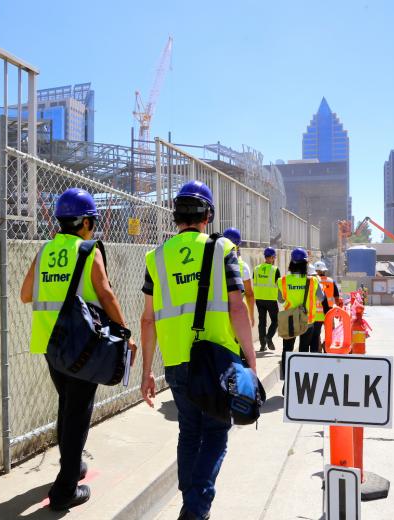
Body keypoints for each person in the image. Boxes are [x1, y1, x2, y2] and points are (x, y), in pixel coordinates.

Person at [140, 181, 256, 520]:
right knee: (216, 431)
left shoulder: (156, 257)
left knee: (189, 430)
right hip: (218, 359)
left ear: (176, 216)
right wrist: (249, 357)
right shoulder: (222, 250)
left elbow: (148, 320)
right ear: (208, 215)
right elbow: (237, 307)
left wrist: (147, 370)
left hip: (176, 361)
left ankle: (191, 499)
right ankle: (196, 507)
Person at [20, 187, 137, 511]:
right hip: (81, 345)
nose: (94, 228)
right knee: (78, 412)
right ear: (85, 222)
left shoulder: (46, 250)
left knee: (67, 406)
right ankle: (65, 490)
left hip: (49, 344)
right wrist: (125, 333)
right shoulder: (88, 250)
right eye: (93, 222)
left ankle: (72, 466)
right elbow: (107, 294)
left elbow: (25, 294)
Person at [279, 248, 319, 362]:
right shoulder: (313, 281)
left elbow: (281, 300)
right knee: (304, 350)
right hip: (308, 321)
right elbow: (321, 297)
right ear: (305, 264)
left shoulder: (282, 281)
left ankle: (286, 376)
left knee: (287, 350)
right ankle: (301, 378)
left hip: (290, 320)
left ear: (291, 263)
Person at [223, 227, 255, 327]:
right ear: (238, 244)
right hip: (237, 315)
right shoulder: (242, 266)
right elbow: (249, 294)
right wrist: (251, 316)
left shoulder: (213, 262)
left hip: (218, 314)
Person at [253, 247, 280, 352]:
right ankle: (268, 337)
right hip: (271, 299)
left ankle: (262, 345)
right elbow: (280, 285)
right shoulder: (274, 269)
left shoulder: (256, 268)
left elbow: (254, 282)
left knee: (262, 321)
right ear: (273, 257)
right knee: (275, 320)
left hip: (259, 299)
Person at [311, 260, 340, 353]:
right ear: (324, 270)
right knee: (330, 333)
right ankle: (327, 348)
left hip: (316, 314)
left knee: (316, 334)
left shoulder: (313, 281)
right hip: (329, 312)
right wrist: (339, 308)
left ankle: (318, 349)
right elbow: (337, 297)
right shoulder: (331, 281)